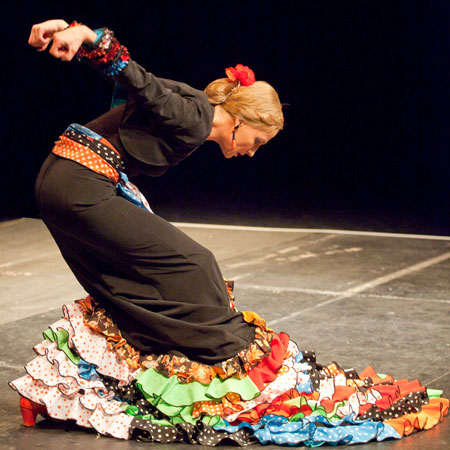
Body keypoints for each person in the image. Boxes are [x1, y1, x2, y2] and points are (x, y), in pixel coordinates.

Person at [9, 19, 448, 447]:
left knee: (138, 272)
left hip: (74, 179)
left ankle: (163, 353)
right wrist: (88, 36)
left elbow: (131, 95)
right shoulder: (197, 116)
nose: (252, 152)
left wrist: (71, 31)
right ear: (241, 121)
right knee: (194, 263)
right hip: (78, 184)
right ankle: (220, 359)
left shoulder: (193, 112)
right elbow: (138, 81)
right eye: (257, 140)